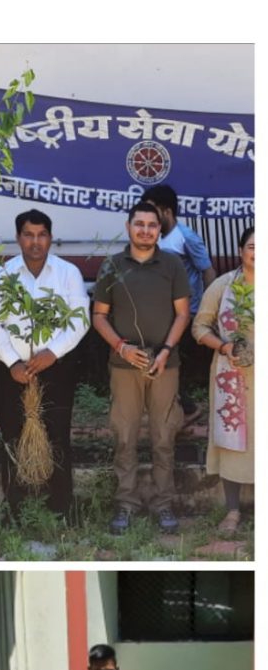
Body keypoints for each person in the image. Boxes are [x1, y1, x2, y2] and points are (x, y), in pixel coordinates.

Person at [0, 209, 90, 520]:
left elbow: (79, 319)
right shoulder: (4, 276)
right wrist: (13, 361)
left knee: (57, 433)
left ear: (50, 238)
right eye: (28, 235)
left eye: (42, 235)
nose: (35, 242)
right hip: (13, 370)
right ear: (18, 238)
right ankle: (14, 508)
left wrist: (52, 352)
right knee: (13, 435)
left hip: (55, 367)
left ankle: (61, 506)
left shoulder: (67, 273)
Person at [91, 201, 191, 535]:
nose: (145, 230)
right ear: (128, 226)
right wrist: (121, 346)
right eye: (140, 224)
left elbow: (182, 314)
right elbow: (99, 316)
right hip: (124, 365)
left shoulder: (172, 264)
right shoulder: (113, 265)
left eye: (152, 225)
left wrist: (165, 351)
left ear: (159, 229)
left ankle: (163, 504)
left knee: (164, 437)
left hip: (165, 365)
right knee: (125, 436)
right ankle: (126, 504)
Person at [192, 225, 254, 535]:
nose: (257, 252)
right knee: (233, 441)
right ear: (241, 251)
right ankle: (232, 511)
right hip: (232, 377)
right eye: (252, 246)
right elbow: (199, 328)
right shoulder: (222, 286)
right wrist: (225, 346)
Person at [145, 183, 216, 421]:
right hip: (162, 314)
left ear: (166, 211)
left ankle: (186, 411)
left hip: (186, 313)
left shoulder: (186, 237)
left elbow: (207, 272)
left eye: (153, 209)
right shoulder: (154, 235)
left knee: (172, 364)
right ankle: (178, 411)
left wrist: (207, 312)